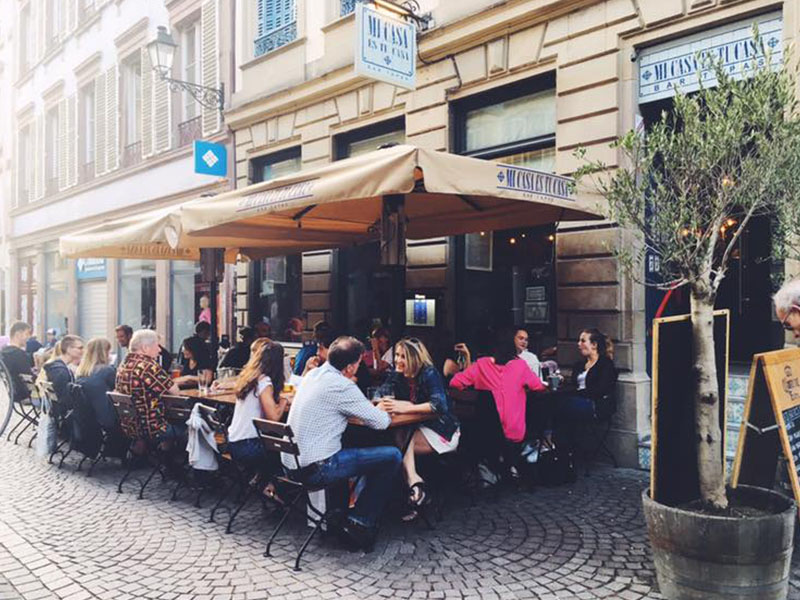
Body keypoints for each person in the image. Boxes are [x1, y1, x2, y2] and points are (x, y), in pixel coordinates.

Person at [282, 336, 401, 550]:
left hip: (290, 465)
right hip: (317, 469)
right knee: (392, 456)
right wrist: (382, 408)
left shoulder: (313, 375)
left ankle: (343, 513)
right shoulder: (341, 386)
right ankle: (361, 520)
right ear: (349, 367)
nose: (358, 367)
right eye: (358, 363)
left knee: (357, 445)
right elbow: (381, 423)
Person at [377, 338, 460, 520]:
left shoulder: (429, 373)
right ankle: (415, 484)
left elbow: (439, 406)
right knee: (397, 438)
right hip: (415, 429)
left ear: (414, 359)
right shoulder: (397, 374)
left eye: (403, 357)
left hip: (442, 431)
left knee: (397, 446)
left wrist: (407, 406)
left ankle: (412, 491)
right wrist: (388, 402)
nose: (398, 360)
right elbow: (381, 393)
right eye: (397, 355)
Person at [450, 329, 547, 444]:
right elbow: (538, 386)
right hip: (513, 434)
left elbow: (455, 382)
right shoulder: (520, 365)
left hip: (485, 431)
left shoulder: (481, 364)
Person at [228, 339, 288, 485]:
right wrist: (284, 400)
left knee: (273, 444)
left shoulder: (249, 378)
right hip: (248, 447)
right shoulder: (264, 382)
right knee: (285, 452)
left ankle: (261, 481)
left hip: (233, 443)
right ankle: (275, 489)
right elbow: (273, 418)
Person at [115, 329, 183, 443]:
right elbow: (175, 393)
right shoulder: (148, 366)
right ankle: (177, 458)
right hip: (153, 429)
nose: (160, 350)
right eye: (157, 345)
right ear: (145, 348)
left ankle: (162, 455)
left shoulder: (124, 364)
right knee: (192, 427)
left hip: (130, 427)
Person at [553, 329, 617, 442]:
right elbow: (574, 386)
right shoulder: (579, 365)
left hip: (597, 405)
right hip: (578, 403)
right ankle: (557, 446)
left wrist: (577, 393)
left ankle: (551, 443)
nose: (579, 344)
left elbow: (600, 389)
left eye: (583, 341)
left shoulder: (605, 364)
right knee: (554, 403)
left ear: (594, 345)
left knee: (559, 405)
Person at [75, 338, 117, 431]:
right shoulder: (107, 370)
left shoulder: (82, 371)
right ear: (104, 353)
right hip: (106, 417)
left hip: (88, 418)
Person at [42, 335, 84, 405]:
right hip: (65, 413)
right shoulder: (61, 372)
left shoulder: (54, 366)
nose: (83, 351)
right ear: (68, 349)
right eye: (80, 348)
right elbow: (64, 400)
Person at [1, 321, 35, 402]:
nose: (28, 337)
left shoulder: (3, 353)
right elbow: (28, 378)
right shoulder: (19, 355)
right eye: (27, 334)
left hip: (12, 393)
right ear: (18, 334)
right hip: (23, 395)